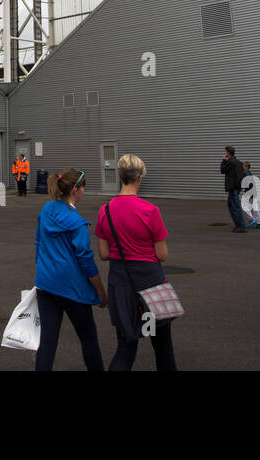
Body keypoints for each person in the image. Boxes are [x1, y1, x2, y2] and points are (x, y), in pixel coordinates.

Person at [95, 154, 178, 371]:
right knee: (162, 346)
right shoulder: (150, 211)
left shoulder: (105, 211)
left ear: (120, 177)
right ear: (139, 178)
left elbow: (104, 253)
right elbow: (162, 254)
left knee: (126, 347)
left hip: (121, 284)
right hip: (150, 284)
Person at [34, 168, 106, 371]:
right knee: (88, 338)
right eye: (83, 188)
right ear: (76, 190)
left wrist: (42, 269)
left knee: (47, 342)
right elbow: (85, 258)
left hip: (46, 285)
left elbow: (38, 242)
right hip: (73, 289)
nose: (84, 192)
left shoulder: (47, 210)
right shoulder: (77, 223)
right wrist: (100, 290)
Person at [220, 146, 247, 232]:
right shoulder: (239, 162)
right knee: (231, 205)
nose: (225, 154)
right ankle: (238, 225)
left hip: (233, 188)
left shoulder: (230, 162)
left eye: (226, 152)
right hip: (236, 187)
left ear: (228, 153)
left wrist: (223, 160)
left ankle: (241, 226)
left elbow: (222, 170)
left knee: (235, 207)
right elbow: (244, 174)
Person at [240, 160, 260, 229]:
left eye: (243, 166)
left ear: (247, 167)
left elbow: (249, 185)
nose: (242, 167)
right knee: (255, 208)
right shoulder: (248, 174)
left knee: (244, 207)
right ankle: (259, 223)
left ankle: (253, 219)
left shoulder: (247, 175)